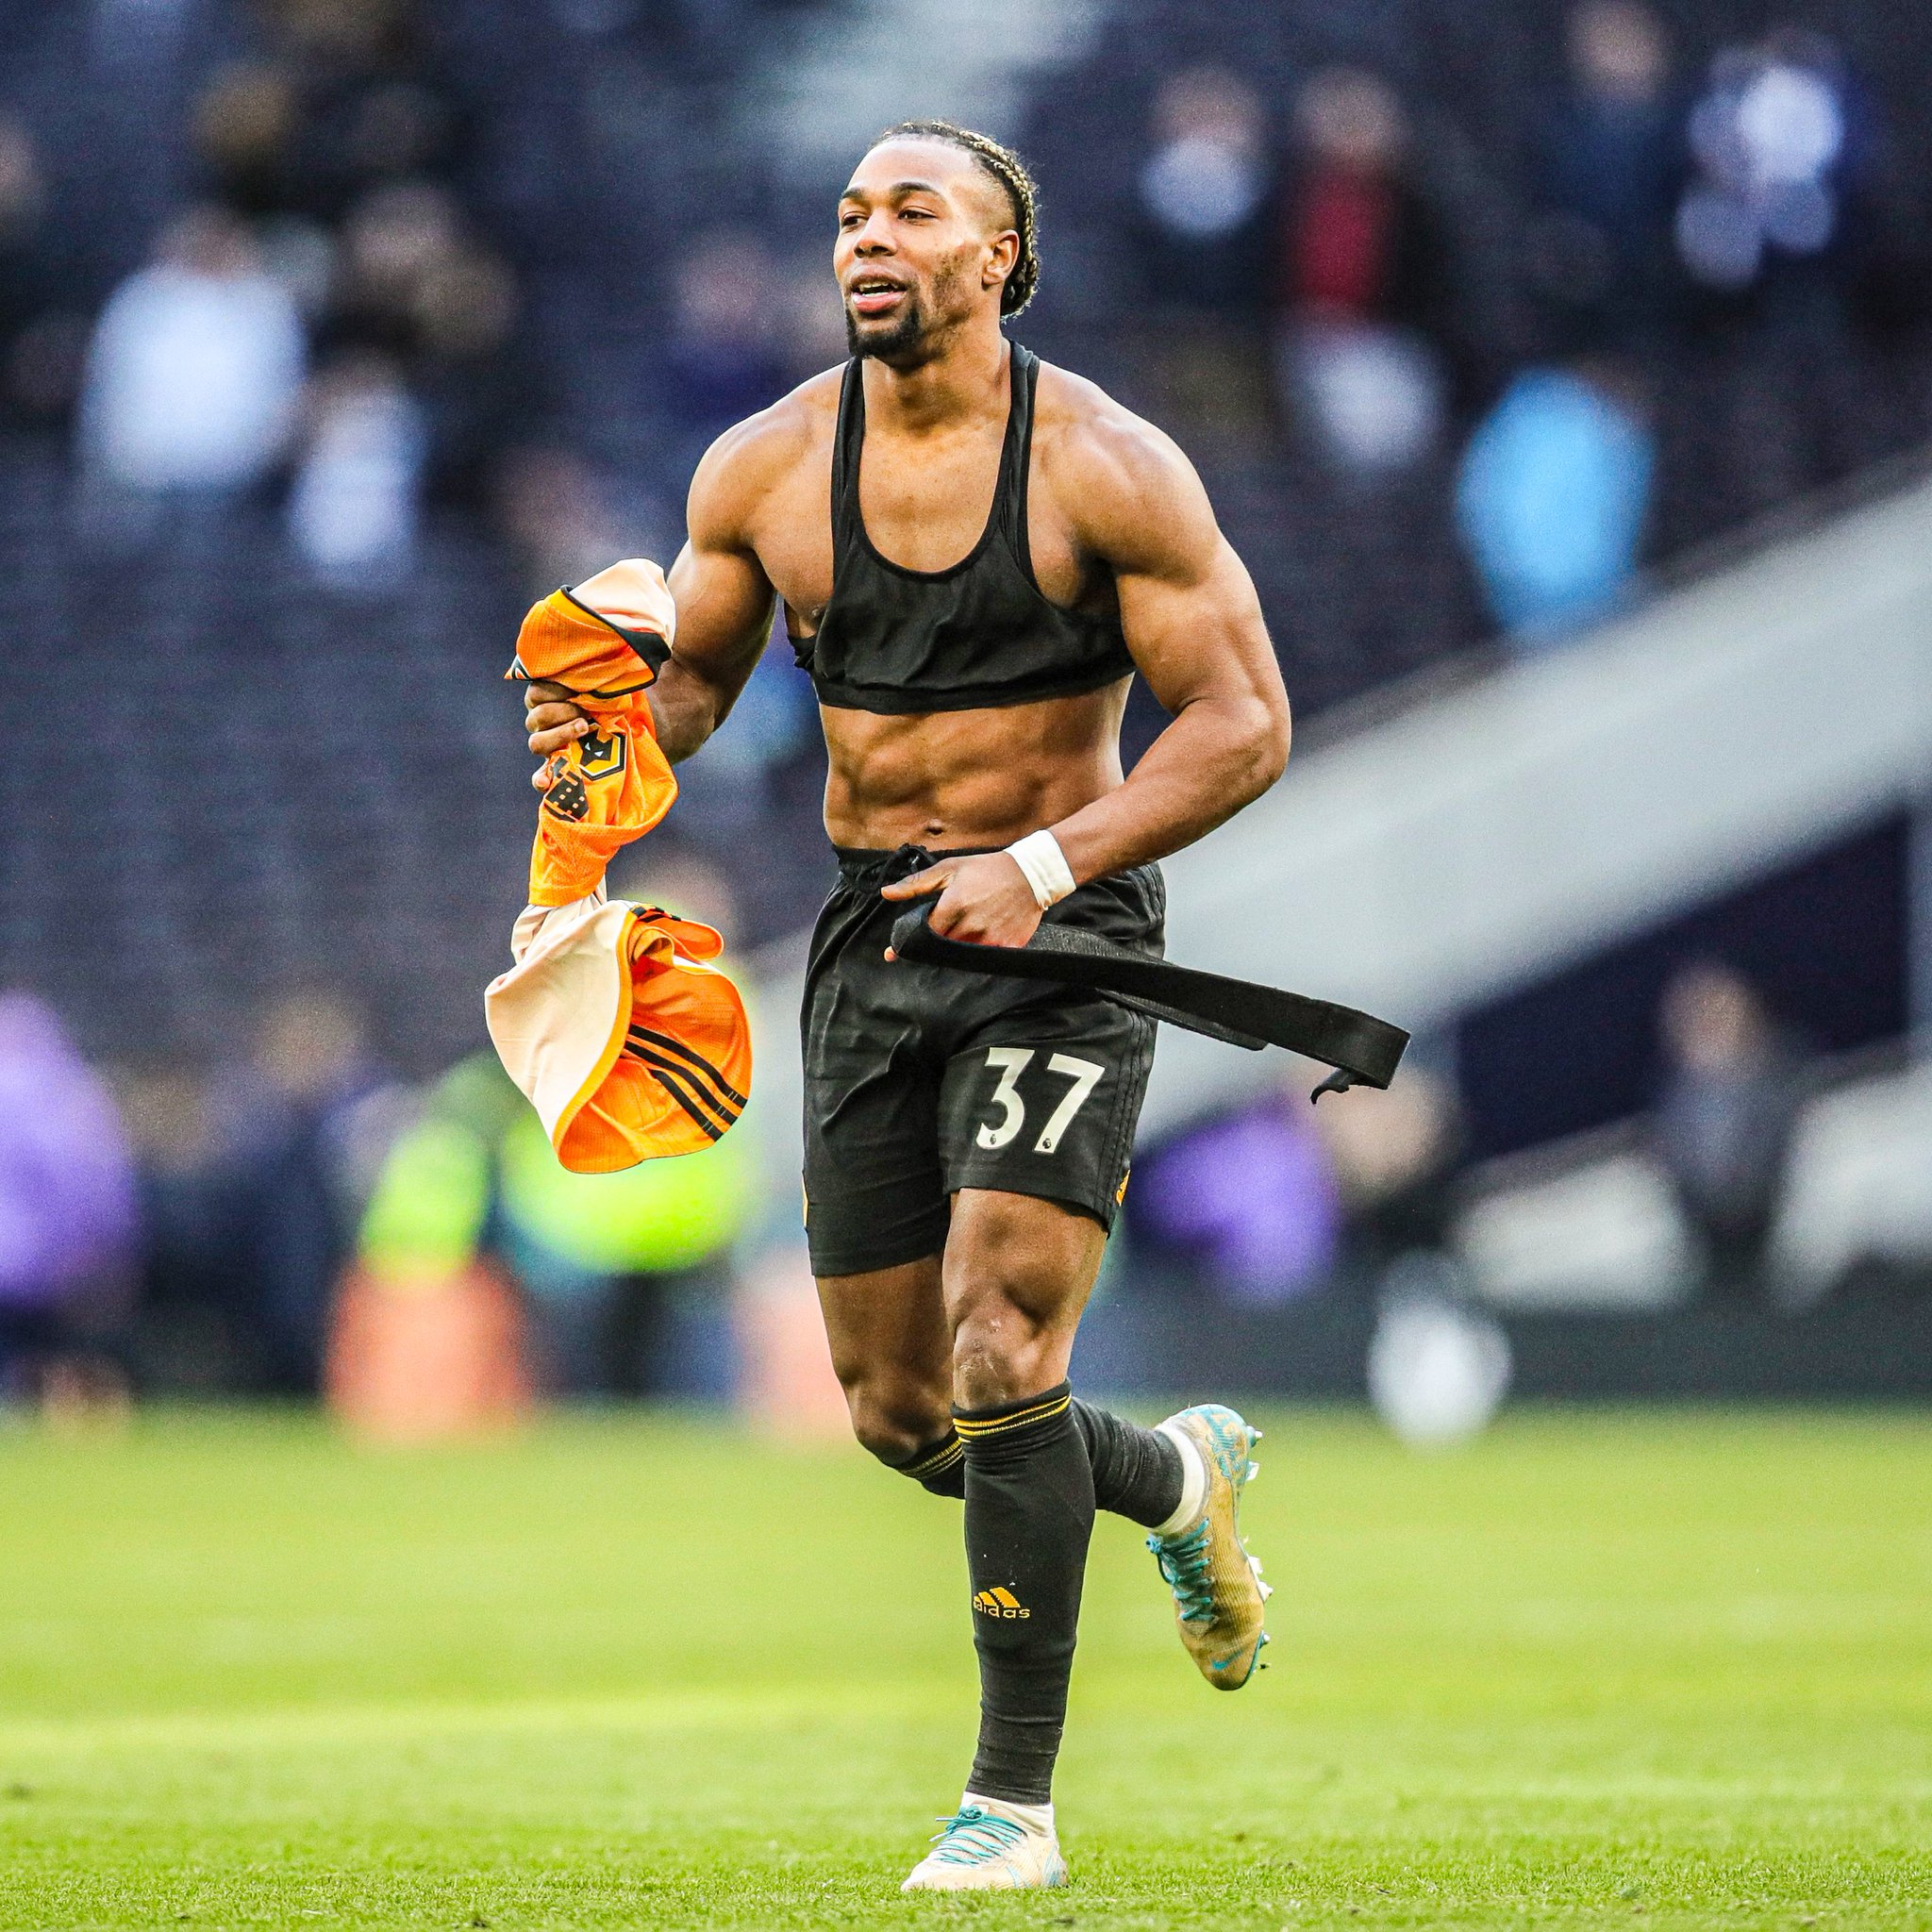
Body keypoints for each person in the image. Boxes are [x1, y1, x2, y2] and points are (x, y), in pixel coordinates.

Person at [522, 121, 1291, 1892]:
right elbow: (690, 699)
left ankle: (1010, 1807)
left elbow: (1243, 722)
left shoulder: (1106, 463)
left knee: (1003, 1337)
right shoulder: (764, 467)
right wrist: (601, 723)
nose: (866, 237)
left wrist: (1046, 860)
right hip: (872, 936)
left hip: (1063, 933)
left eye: (911, 211)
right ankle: (1173, 1482)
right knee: (899, 1408)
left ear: (998, 258)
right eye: (850, 213)